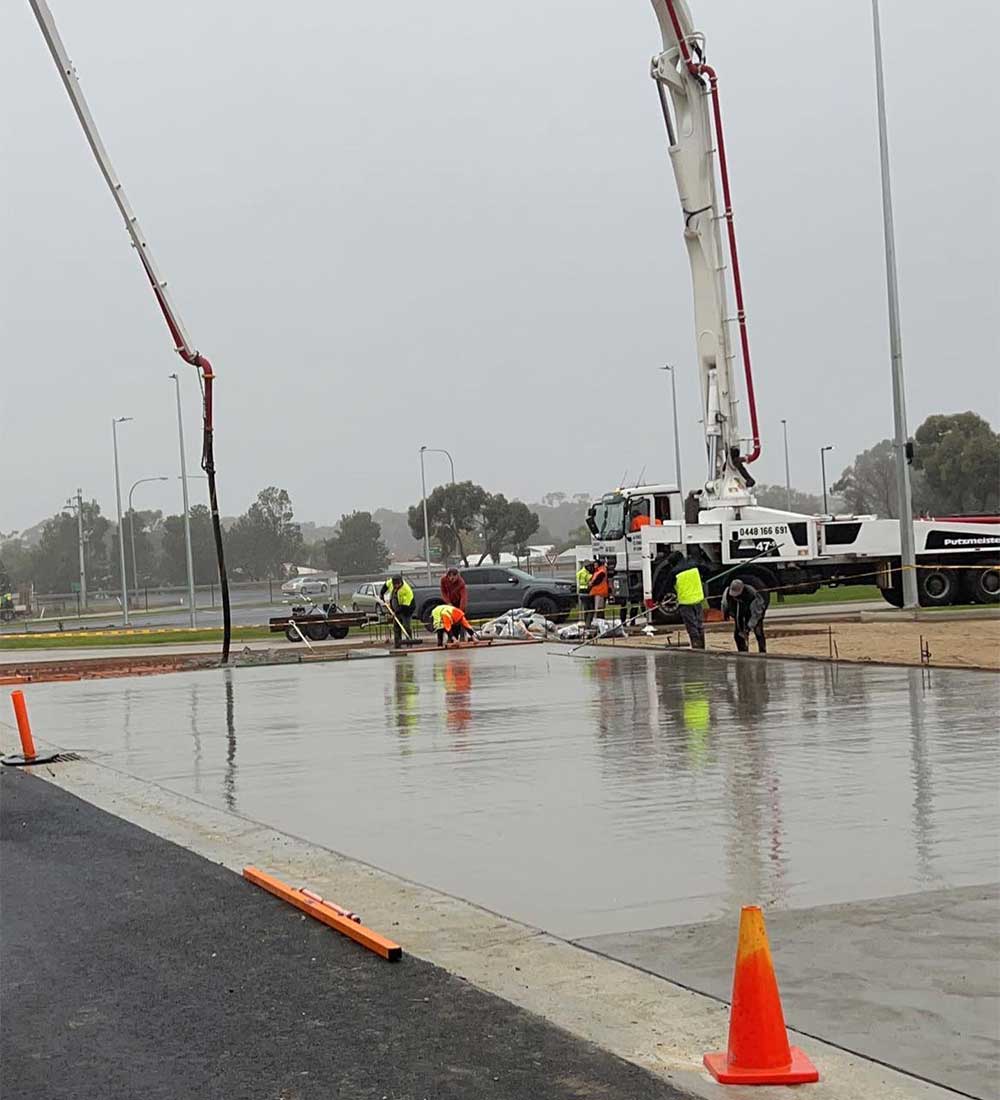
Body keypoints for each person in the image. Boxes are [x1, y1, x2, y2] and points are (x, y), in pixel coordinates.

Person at [664, 550, 706, 649]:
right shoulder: (694, 566)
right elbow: (706, 570)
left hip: (685, 602)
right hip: (698, 599)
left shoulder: (674, 572)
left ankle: (696, 647)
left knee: (691, 625)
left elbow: (666, 587)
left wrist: (658, 599)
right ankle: (702, 647)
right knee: (699, 624)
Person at [722, 577, 767, 653]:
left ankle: (762, 651)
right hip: (739, 612)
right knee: (738, 634)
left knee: (758, 631)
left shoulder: (752, 596)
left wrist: (748, 627)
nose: (734, 596)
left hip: (753, 612)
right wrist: (726, 612)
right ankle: (743, 652)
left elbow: (755, 615)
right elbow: (724, 604)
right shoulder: (727, 593)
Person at [379, 573, 415, 648]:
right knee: (396, 626)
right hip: (396, 606)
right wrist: (382, 593)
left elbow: (405, 606)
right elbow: (386, 585)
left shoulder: (407, 590)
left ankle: (409, 643)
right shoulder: (391, 583)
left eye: (397, 585)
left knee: (406, 625)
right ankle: (398, 644)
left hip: (407, 609)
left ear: (400, 582)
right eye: (394, 585)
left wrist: (396, 612)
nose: (395, 586)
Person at [576, 560, 594, 625]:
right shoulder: (586, 573)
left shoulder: (580, 572)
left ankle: (587, 623)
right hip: (587, 592)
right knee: (591, 609)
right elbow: (589, 582)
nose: (591, 567)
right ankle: (588, 624)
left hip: (581, 592)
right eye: (590, 566)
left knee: (586, 609)